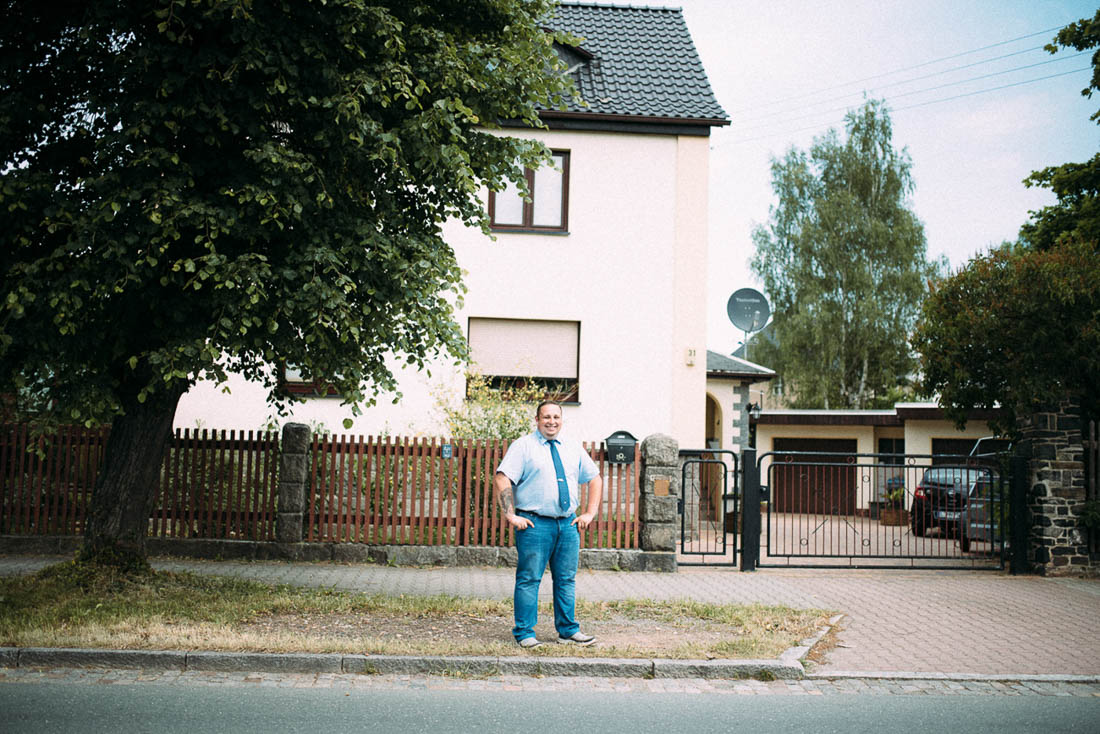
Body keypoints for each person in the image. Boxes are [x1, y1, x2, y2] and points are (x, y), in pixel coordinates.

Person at [493, 400, 603, 649]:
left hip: (567, 525)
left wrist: (589, 513)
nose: (551, 421)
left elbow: (594, 478)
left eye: (556, 417)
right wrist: (511, 515)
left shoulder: (572, 447)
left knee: (566, 579)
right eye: (546, 417)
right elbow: (502, 479)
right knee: (529, 579)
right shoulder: (523, 446)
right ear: (537, 420)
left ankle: (568, 631)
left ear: (562, 420)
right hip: (534, 525)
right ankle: (524, 633)